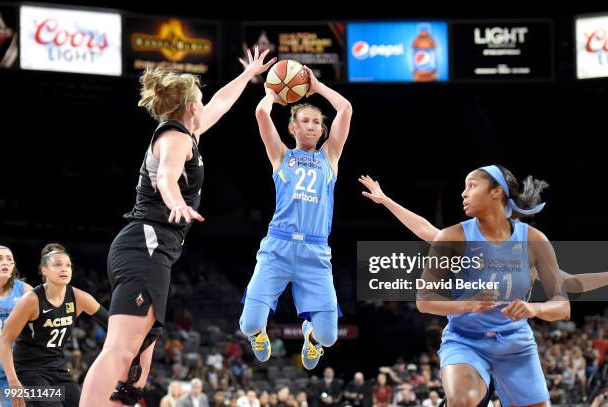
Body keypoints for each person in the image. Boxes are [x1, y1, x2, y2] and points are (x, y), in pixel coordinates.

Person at [78, 47, 276, 406]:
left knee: (141, 357)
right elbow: (167, 178)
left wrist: (248, 76)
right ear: (190, 106)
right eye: (200, 99)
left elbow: (221, 103)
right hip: (145, 243)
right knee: (122, 349)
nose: (205, 105)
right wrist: (177, 203)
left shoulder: (189, 133)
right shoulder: (175, 137)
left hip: (155, 250)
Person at [365, 165, 570, 406]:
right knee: (463, 400)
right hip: (467, 338)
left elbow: (563, 307)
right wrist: (468, 304)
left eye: (471, 186)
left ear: (496, 192)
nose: (463, 193)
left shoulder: (532, 241)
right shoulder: (457, 238)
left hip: (515, 342)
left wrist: (534, 309)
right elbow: (425, 232)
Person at [239, 66, 352, 370]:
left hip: (315, 252)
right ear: (293, 127)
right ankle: (259, 333)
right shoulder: (281, 155)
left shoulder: (330, 157)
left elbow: (345, 107)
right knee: (248, 325)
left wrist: (317, 86)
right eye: (306, 121)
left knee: (329, 337)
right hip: (278, 246)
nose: (313, 126)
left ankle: (310, 336)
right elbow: (262, 115)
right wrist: (271, 92)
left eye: (317, 122)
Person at [359, 174, 608, 293]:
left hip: (509, 339)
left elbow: (570, 283)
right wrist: (386, 201)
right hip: (470, 335)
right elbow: (426, 231)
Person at [0, 243, 108, 407]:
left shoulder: (79, 297)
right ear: (44, 270)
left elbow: (112, 322)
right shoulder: (31, 300)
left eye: (68, 265)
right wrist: (14, 383)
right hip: (28, 372)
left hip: (58, 369)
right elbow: (5, 340)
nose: (64, 269)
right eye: (57, 265)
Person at [0, 246, 32, 406]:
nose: (6, 262)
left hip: (16, 363)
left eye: (9, 259)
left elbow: (42, 329)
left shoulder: (25, 290)